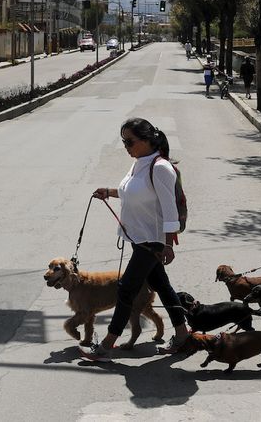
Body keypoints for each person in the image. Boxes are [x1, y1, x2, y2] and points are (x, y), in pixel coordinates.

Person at [81, 118, 189, 362]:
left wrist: (168, 245)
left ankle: (106, 345)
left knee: (126, 288)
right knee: (162, 286)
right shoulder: (140, 162)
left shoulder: (160, 168)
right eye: (123, 142)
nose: (126, 146)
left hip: (152, 241)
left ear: (147, 140)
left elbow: (169, 210)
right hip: (139, 238)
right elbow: (133, 191)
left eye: (129, 141)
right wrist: (109, 192)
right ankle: (183, 335)